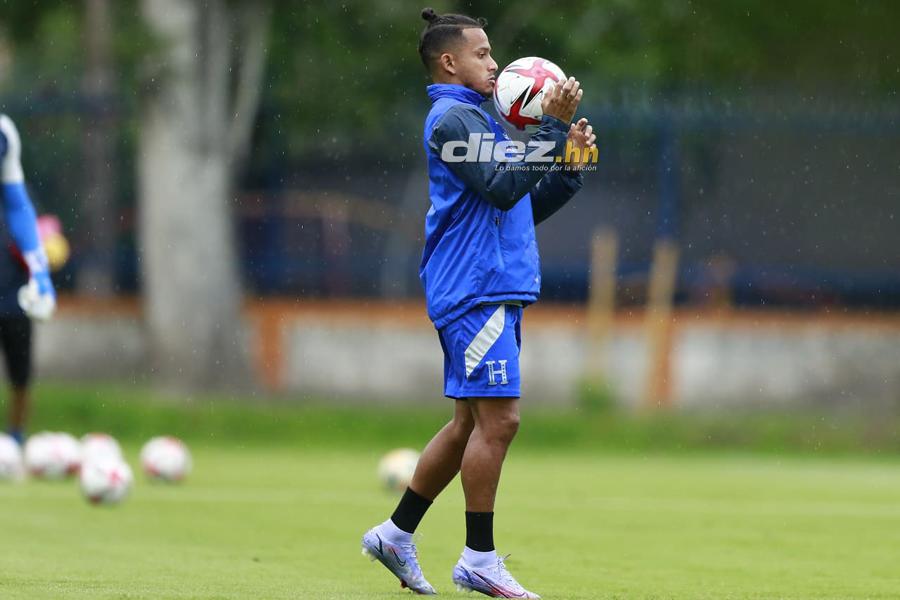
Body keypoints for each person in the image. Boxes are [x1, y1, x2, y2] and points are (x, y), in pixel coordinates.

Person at [362, 8, 595, 598]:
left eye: (492, 54)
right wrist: (547, 132)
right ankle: (479, 559)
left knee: (470, 423)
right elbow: (502, 184)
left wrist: (569, 166)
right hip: (474, 289)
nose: (495, 64)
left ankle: (395, 533)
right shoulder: (450, 121)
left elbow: (517, 205)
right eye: (483, 54)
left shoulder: (479, 120)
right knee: (502, 420)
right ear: (449, 62)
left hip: (492, 286)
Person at [0, 113, 57, 445]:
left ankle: (16, 440)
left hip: (11, 296)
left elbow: (19, 206)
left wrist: (41, 274)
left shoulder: (5, 133)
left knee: (21, 376)